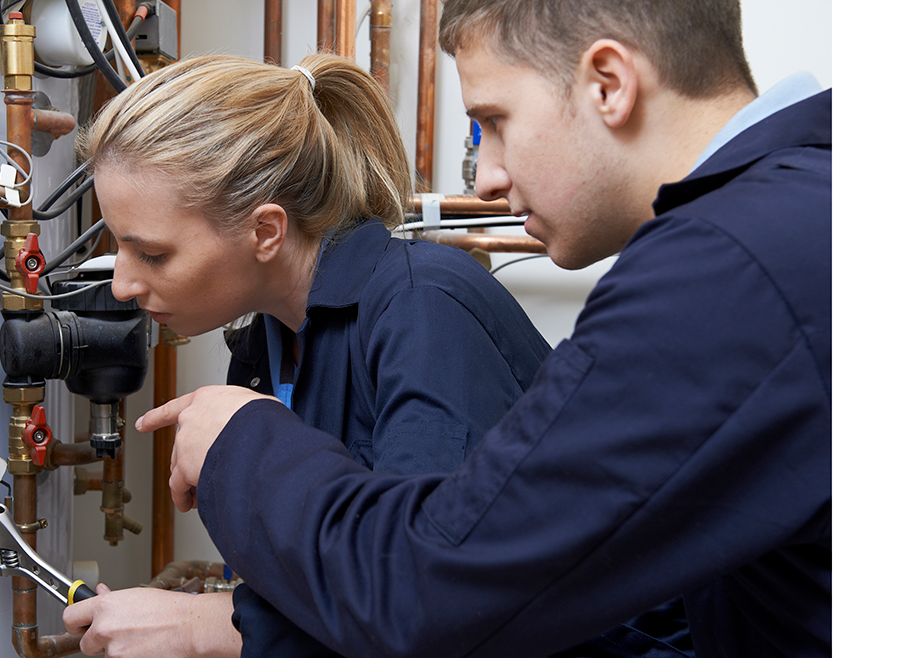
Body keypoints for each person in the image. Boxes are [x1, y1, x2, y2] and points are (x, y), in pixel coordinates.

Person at [137, 1, 832, 656]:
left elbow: (423, 596)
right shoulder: (805, 212)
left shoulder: (725, 269)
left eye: (494, 122)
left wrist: (240, 439)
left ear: (609, 84)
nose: (489, 178)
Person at [61, 52, 555, 657]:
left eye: (154, 254)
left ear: (266, 231)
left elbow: (434, 606)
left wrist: (206, 630)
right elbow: (319, 587)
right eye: (120, 247)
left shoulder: (423, 308)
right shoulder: (267, 347)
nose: (122, 286)